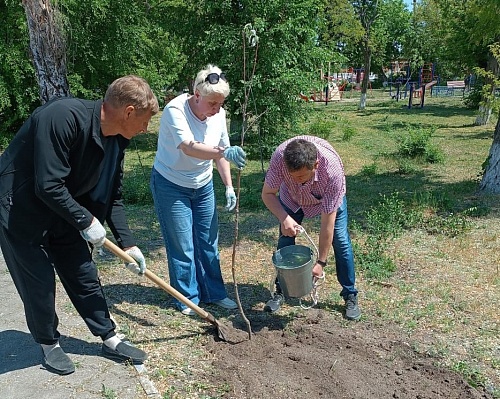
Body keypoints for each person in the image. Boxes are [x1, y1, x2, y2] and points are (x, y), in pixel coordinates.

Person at [0, 75, 159, 375]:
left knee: (83, 271)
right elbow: (47, 184)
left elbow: (114, 195)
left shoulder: (116, 140)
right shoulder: (61, 117)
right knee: (40, 283)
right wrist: (86, 220)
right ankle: (49, 344)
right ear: (128, 112)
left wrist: (128, 243)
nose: (145, 129)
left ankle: (109, 337)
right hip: (19, 210)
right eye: (145, 120)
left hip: (63, 210)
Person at [150, 64, 246, 316]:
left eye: (221, 103)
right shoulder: (175, 110)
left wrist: (227, 186)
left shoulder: (219, 115)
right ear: (197, 95)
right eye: (213, 103)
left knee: (208, 242)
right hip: (171, 184)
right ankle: (188, 299)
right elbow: (190, 147)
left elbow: (221, 154)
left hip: (202, 184)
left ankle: (215, 293)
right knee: (183, 245)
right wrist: (224, 152)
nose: (217, 109)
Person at [261, 135, 361, 320]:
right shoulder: (280, 158)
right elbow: (267, 193)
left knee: (340, 242)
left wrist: (321, 262)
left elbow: (327, 225)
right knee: (285, 239)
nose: (297, 180)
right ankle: (281, 291)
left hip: (325, 197)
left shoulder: (332, 172)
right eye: (292, 176)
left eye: (301, 176)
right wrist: (284, 218)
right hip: (291, 198)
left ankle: (350, 294)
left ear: (315, 165)